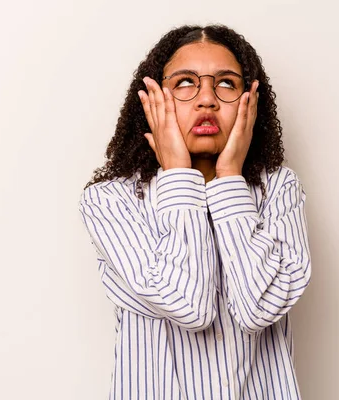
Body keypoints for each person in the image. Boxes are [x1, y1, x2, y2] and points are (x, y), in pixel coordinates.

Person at [79, 24, 311, 400]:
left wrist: (229, 177)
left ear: (250, 101)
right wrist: (179, 176)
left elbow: (258, 309)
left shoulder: (278, 189)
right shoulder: (110, 201)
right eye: (186, 82)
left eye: (226, 84)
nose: (207, 100)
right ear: (153, 98)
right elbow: (190, 306)